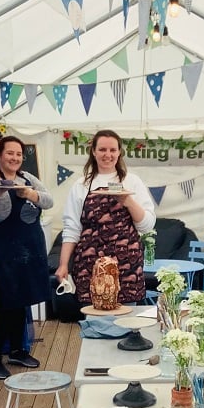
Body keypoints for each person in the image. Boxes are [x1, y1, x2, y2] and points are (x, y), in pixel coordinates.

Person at [0, 135, 53, 380]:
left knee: (21, 301)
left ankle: (17, 351)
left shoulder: (28, 179)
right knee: (4, 304)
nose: (14, 158)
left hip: (24, 252)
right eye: (10, 153)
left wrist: (31, 195)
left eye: (18, 154)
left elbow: (49, 201)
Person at [56, 129, 155, 305]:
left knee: (126, 319)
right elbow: (72, 229)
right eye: (102, 150)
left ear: (119, 153)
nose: (107, 155)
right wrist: (63, 264)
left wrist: (128, 201)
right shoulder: (81, 185)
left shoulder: (132, 182)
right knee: (95, 321)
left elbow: (146, 225)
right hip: (90, 263)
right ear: (94, 152)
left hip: (126, 263)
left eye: (112, 150)